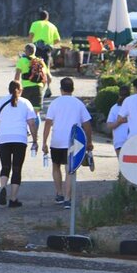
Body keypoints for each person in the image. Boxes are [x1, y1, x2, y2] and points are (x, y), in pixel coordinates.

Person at [41, 77, 94, 210]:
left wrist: (44, 142)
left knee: (56, 166)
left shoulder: (55, 103)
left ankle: (59, 193)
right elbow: (87, 123)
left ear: (61, 89)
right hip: (73, 141)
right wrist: (89, 141)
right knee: (70, 170)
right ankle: (67, 199)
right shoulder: (78, 104)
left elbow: (48, 123)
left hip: (57, 140)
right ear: (73, 89)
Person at [0, 82, 40, 208]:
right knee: (17, 168)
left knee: (5, 166)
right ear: (20, 90)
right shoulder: (26, 103)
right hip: (20, 139)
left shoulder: (0, 101)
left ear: (9, 89)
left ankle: (2, 187)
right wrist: (35, 140)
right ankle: (13, 199)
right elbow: (32, 123)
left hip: (4, 138)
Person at [13, 43, 50, 111]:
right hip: (38, 88)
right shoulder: (40, 61)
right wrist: (43, 88)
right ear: (34, 51)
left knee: (25, 111)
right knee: (36, 112)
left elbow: (17, 77)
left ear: (26, 51)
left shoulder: (22, 60)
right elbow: (47, 77)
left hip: (26, 89)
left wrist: (16, 90)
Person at [107, 85, 132, 158]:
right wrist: (119, 122)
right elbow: (109, 125)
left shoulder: (133, 106)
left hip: (131, 140)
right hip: (120, 141)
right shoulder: (115, 108)